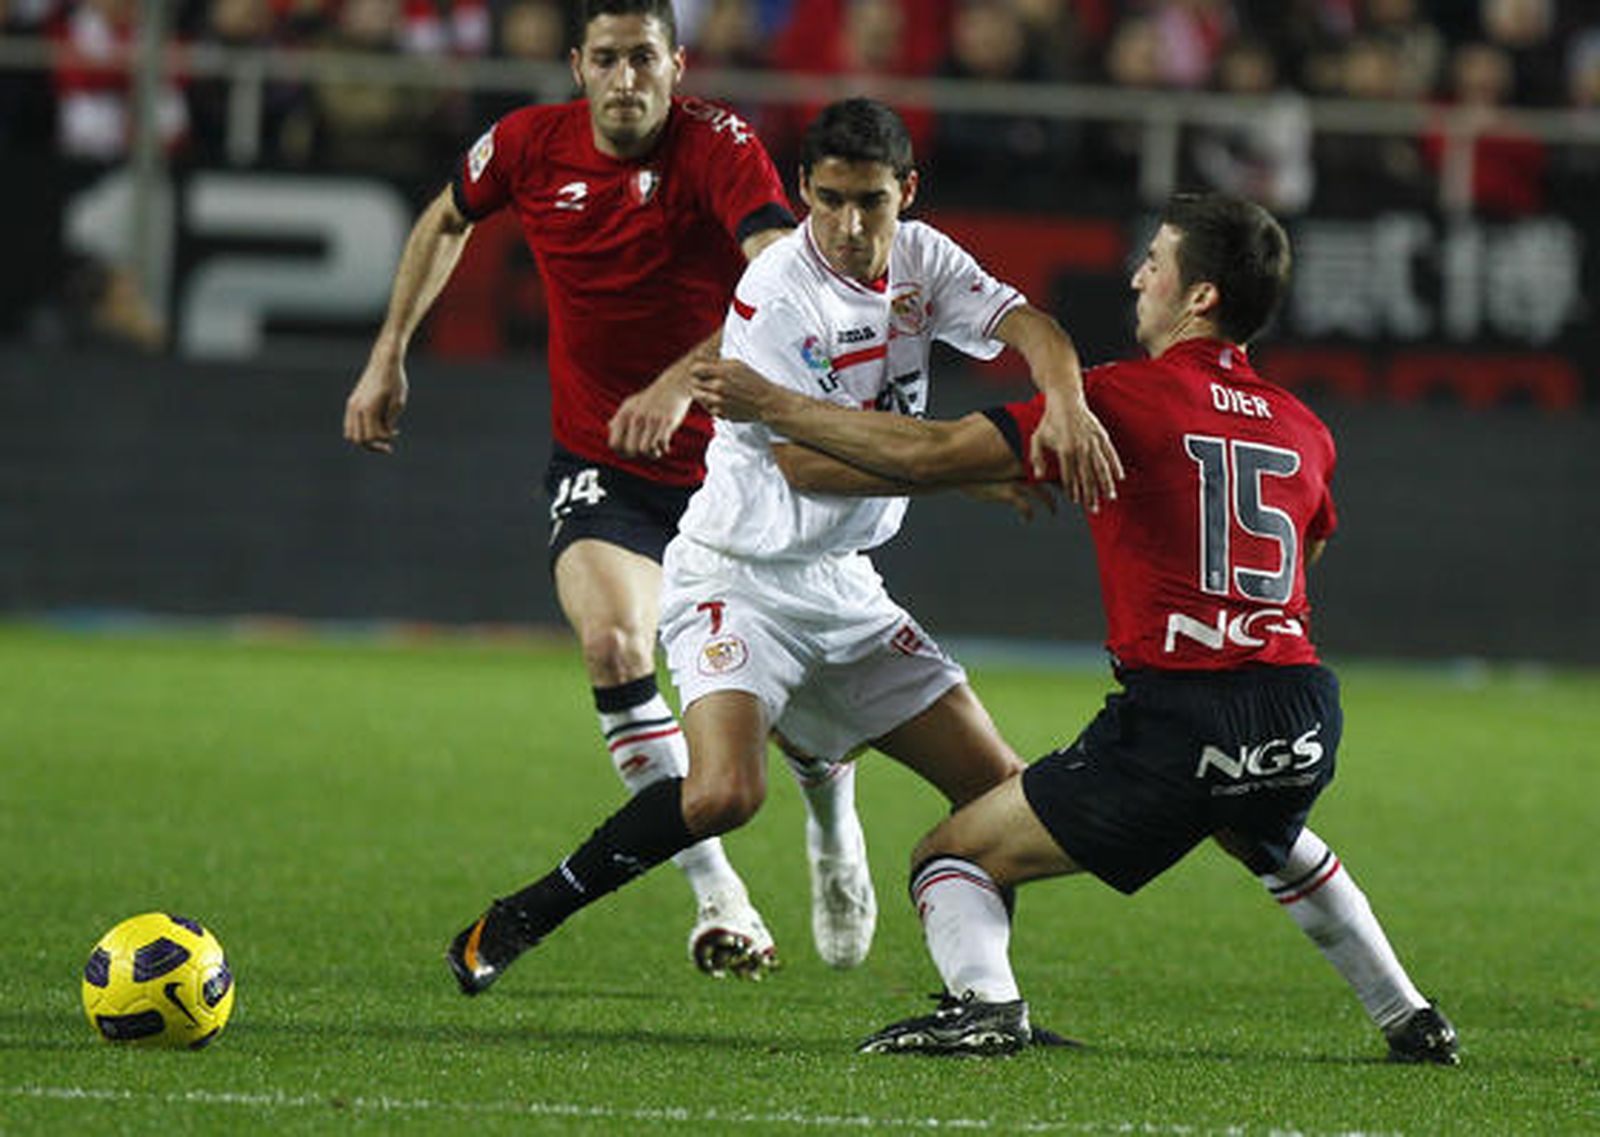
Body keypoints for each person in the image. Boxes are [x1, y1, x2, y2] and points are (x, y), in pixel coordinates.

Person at [690, 191, 1460, 1065]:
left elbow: (927, 453)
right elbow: (1302, 561)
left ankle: (986, 1007)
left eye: (1157, 262)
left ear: (1198, 296)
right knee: (1269, 834)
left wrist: (771, 403)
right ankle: (1411, 1015)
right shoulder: (1306, 426)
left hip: (1180, 717)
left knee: (953, 854)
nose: (1139, 277)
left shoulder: (1117, 400)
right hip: (1300, 707)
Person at [441, 97, 1123, 994]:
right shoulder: (775, 293)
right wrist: (959, 472)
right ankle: (521, 913)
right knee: (726, 792)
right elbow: (807, 463)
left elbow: (1034, 329)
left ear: (906, 192)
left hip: (842, 584)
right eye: (830, 199)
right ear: (802, 190)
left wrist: (1065, 404)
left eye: (870, 202)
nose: (848, 225)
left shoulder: (924, 259)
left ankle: (983, 999)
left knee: (1003, 795)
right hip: (739, 576)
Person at [344, 0, 835, 977]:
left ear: (675, 63)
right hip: (602, 464)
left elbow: (785, 286)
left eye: (642, 58)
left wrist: (673, 381)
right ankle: (718, 897)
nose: (624, 79)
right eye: (605, 59)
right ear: (576, 63)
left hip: (733, 476)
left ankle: (833, 826)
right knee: (613, 642)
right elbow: (445, 217)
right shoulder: (527, 145)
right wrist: (388, 351)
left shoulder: (719, 146)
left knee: (802, 720)